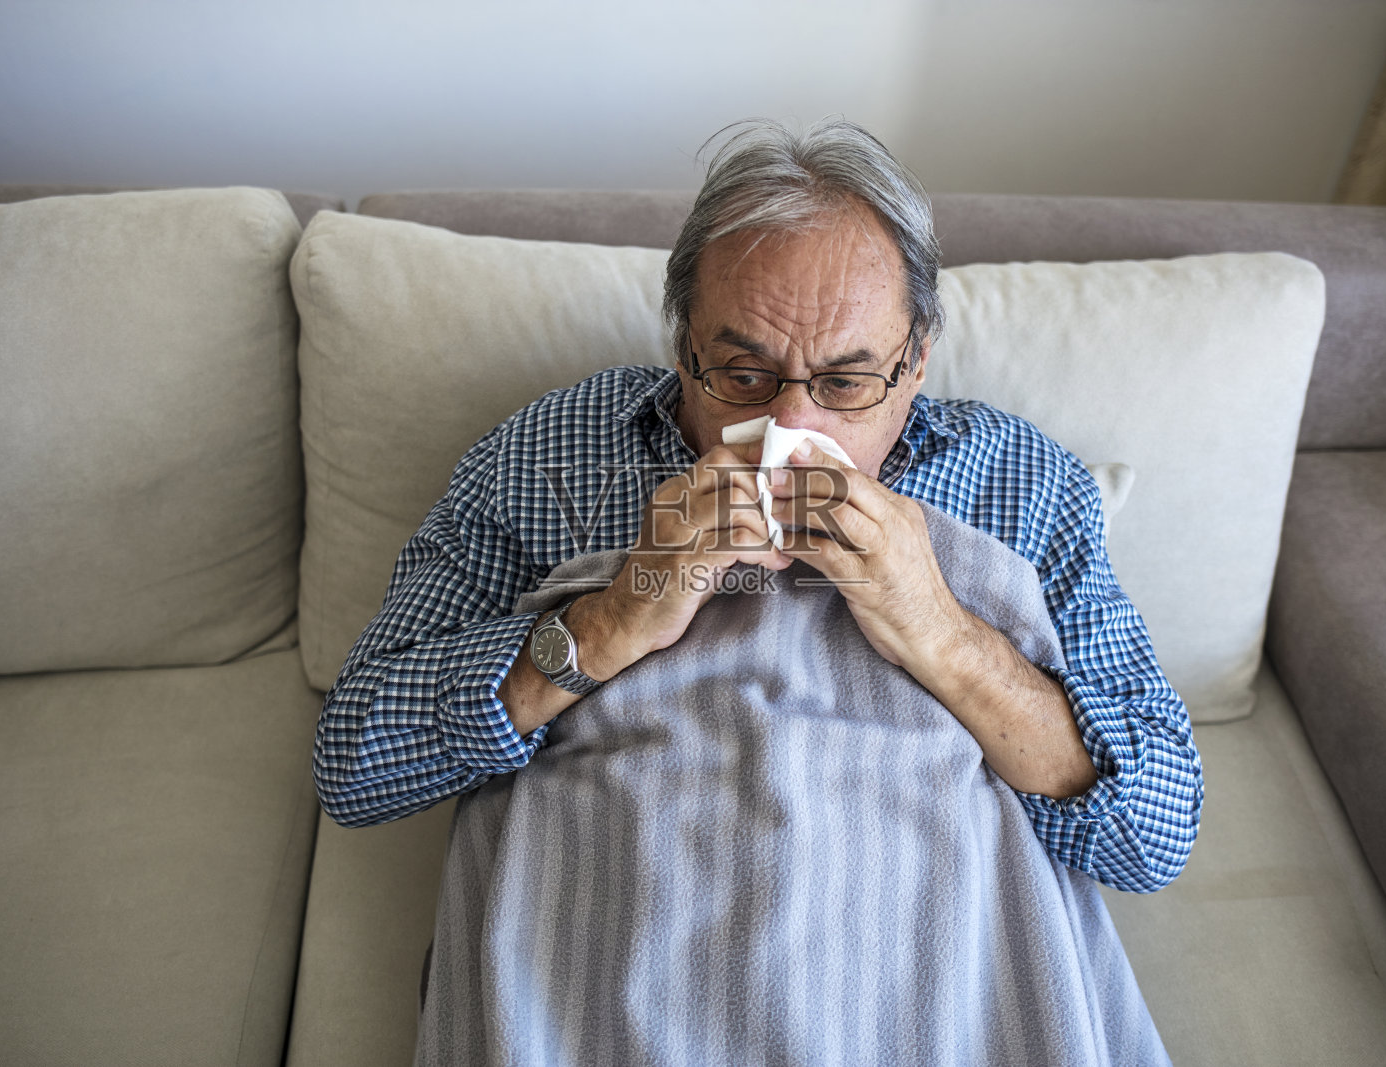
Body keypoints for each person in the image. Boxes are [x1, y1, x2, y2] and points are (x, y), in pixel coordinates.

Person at [314, 117, 1202, 1061]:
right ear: (681, 340)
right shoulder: (551, 455)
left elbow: (1154, 832)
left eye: (847, 382)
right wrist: (611, 620)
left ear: (919, 358)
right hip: (609, 981)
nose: (791, 422)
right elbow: (356, 763)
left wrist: (940, 631)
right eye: (742, 373)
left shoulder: (1019, 481)